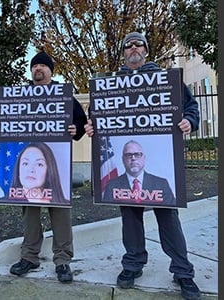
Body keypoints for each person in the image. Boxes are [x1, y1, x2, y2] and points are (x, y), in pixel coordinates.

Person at [83, 32, 201, 300]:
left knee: (168, 219)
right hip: (127, 169)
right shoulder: (112, 85)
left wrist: (189, 122)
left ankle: (183, 271)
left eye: (138, 44)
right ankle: (133, 265)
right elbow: (95, 116)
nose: (133, 48)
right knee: (130, 218)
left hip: (160, 165)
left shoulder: (166, 80)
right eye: (128, 45)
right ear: (123, 52)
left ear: (145, 50)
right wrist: (92, 126)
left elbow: (191, 108)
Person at [9, 51, 87, 283]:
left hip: (56, 167)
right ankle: (29, 256)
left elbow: (80, 123)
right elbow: (10, 123)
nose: (38, 69)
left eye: (43, 65)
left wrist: (77, 129)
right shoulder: (21, 96)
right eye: (35, 66)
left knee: (60, 213)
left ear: (51, 71)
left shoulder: (64, 96)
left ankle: (62, 260)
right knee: (29, 214)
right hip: (29, 169)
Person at [102, 140, 176, 206]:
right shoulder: (112, 185)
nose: (133, 158)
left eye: (137, 154)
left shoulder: (162, 183)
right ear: (123, 159)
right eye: (128, 155)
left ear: (144, 158)